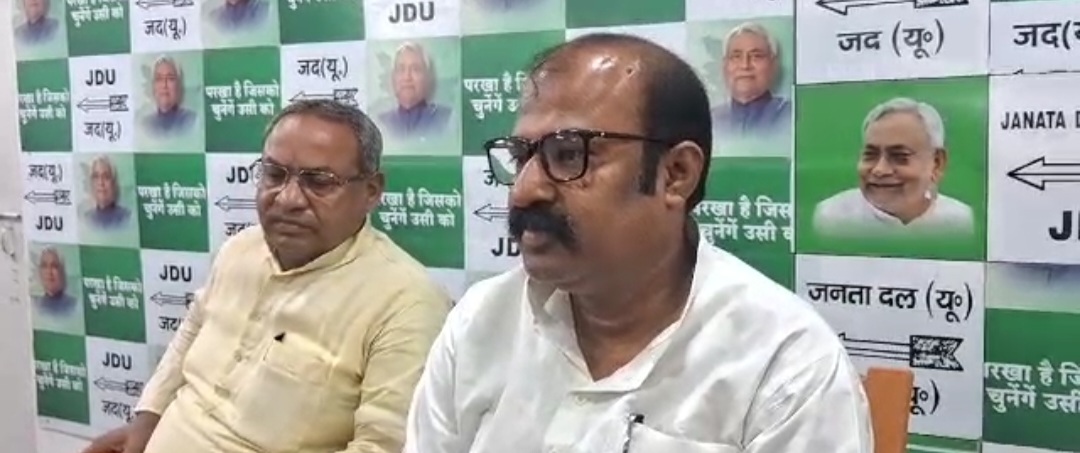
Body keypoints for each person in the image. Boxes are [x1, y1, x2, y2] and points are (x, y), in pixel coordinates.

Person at [404, 33, 873, 452]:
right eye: (520, 157)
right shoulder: (481, 322)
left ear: (677, 174)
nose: (525, 190)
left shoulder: (785, 362)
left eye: (568, 154)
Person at [82, 100, 452, 453]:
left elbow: (383, 445)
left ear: (371, 192)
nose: (288, 198)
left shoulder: (407, 302)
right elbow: (188, 338)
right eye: (274, 175)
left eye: (319, 181)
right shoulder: (240, 249)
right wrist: (143, 429)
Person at [812, 97, 975, 238]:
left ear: (937, 163)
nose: (879, 170)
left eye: (899, 156)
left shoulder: (961, 221)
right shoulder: (831, 218)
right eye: (870, 155)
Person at [710, 22, 791, 138]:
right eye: (736, 56)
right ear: (724, 65)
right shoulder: (708, 120)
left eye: (756, 56)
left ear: (773, 65)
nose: (745, 65)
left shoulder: (791, 115)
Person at [378, 42, 451, 137]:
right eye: (401, 69)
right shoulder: (380, 123)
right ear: (393, 78)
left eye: (415, 69)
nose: (407, 77)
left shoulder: (446, 119)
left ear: (426, 77)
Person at [142, 56, 196, 136]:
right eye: (159, 79)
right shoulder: (146, 125)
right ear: (153, 87)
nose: (164, 85)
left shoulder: (192, 121)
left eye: (170, 78)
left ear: (178, 85)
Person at [83, 156, 131, 230]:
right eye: (96, 177)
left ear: (114, 183)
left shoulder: (126, 218)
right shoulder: (87, 218)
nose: (101, 183)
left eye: (106, 177)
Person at [33, 247, 77, 316]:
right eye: (44, 266)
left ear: (61, 271)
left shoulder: (74, 306)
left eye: (54, 266)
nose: (49, 272)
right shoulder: (36, 305)